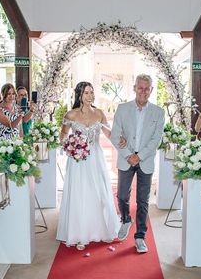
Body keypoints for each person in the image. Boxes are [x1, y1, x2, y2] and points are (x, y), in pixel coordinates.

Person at [58, 82, 120, 250]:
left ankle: (99, 229)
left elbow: (108, 133)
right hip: (77, 161)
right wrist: (70, 145)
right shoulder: (70, 115)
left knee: (97, 191)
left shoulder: (99, 113)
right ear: (79, 94)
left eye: (92, 92)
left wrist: (121, 140)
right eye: (86, 93)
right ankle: (79, 233)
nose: (90, 96)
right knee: (79, 193)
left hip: (95, 158)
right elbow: (63, 135)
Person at [111, 74, 165, 254]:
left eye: (146, 88)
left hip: (146, 161)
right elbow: (115, 134)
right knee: (121, 195)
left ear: (151, 90)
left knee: (143, 201)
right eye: (140, 88)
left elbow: (156, 139)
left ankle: (140, 236)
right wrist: (128, 155)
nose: (143, 91)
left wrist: (139, 156)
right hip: (126, 159)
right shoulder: (123, 108)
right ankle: (126, 219)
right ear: (134, 88)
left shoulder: (158, 112)